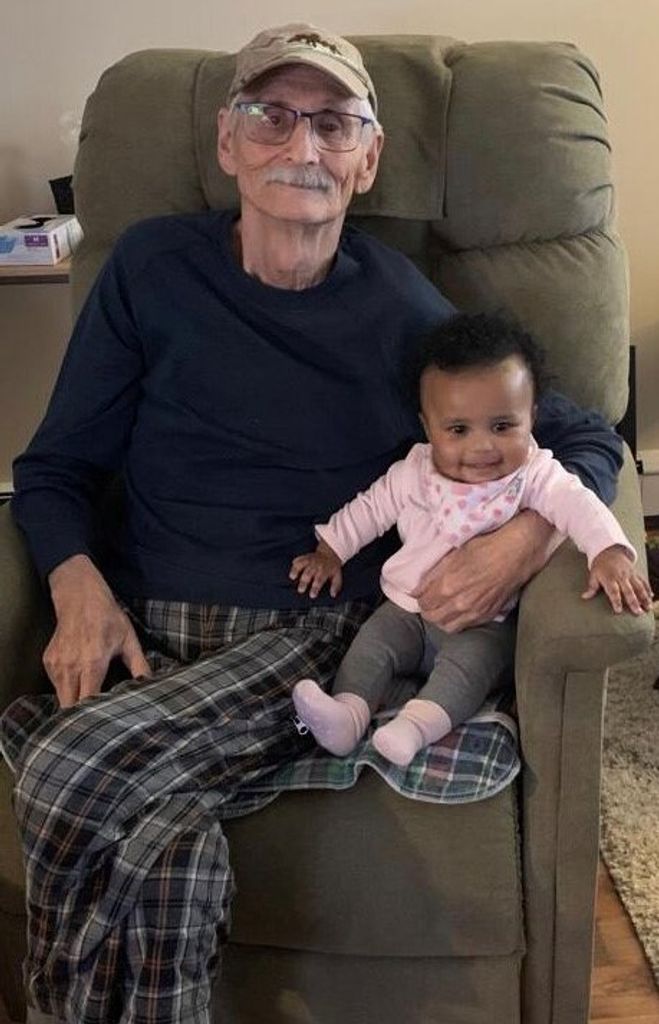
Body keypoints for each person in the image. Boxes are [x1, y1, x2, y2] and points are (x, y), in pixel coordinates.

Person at [0, 22, 640, 1024]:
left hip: (301, 629)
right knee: (169, 854)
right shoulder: (150, 268)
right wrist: (76, 585)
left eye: (334, 123)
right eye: (272, 116)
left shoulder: (398, 308)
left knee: (70, 761)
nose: (302, 146)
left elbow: (582, 433)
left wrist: (524, 540)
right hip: (147, 630)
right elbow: (53, 468)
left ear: (366, 159)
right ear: (227, 142)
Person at [290, 313, 652, 766]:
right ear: (428, 428)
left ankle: (414, 727)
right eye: (458, 430)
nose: (482, 448)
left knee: (472, 668)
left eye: (502, 426)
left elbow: (580, 504)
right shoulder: (414, 471)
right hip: (406, 608)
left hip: (484, 622)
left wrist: (609, 551)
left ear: (532, 417)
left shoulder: (535, 475)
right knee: (371, 645)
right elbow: (370, 509)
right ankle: (348, 713)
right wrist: (330, 550)